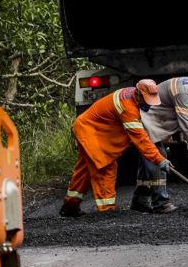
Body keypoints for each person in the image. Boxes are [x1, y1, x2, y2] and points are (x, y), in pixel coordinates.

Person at [60, 79, 173, 217]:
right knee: (105, 166)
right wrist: (159, 160)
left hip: (90, 128)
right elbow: (141, 139)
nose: (148, 104)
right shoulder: (128, 107)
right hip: (90, 131)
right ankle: (107, 210)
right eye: (146, 100)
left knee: (84, 169)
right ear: (138, 94)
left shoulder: (131, 95)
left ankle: (70, 206)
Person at [132, 68, 188, 214]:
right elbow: (187, 126)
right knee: (158, 157)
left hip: (153, 121)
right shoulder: (184, 92)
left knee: (147, 162)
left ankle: (140, 200)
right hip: (146, 121)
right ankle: (160, 202)